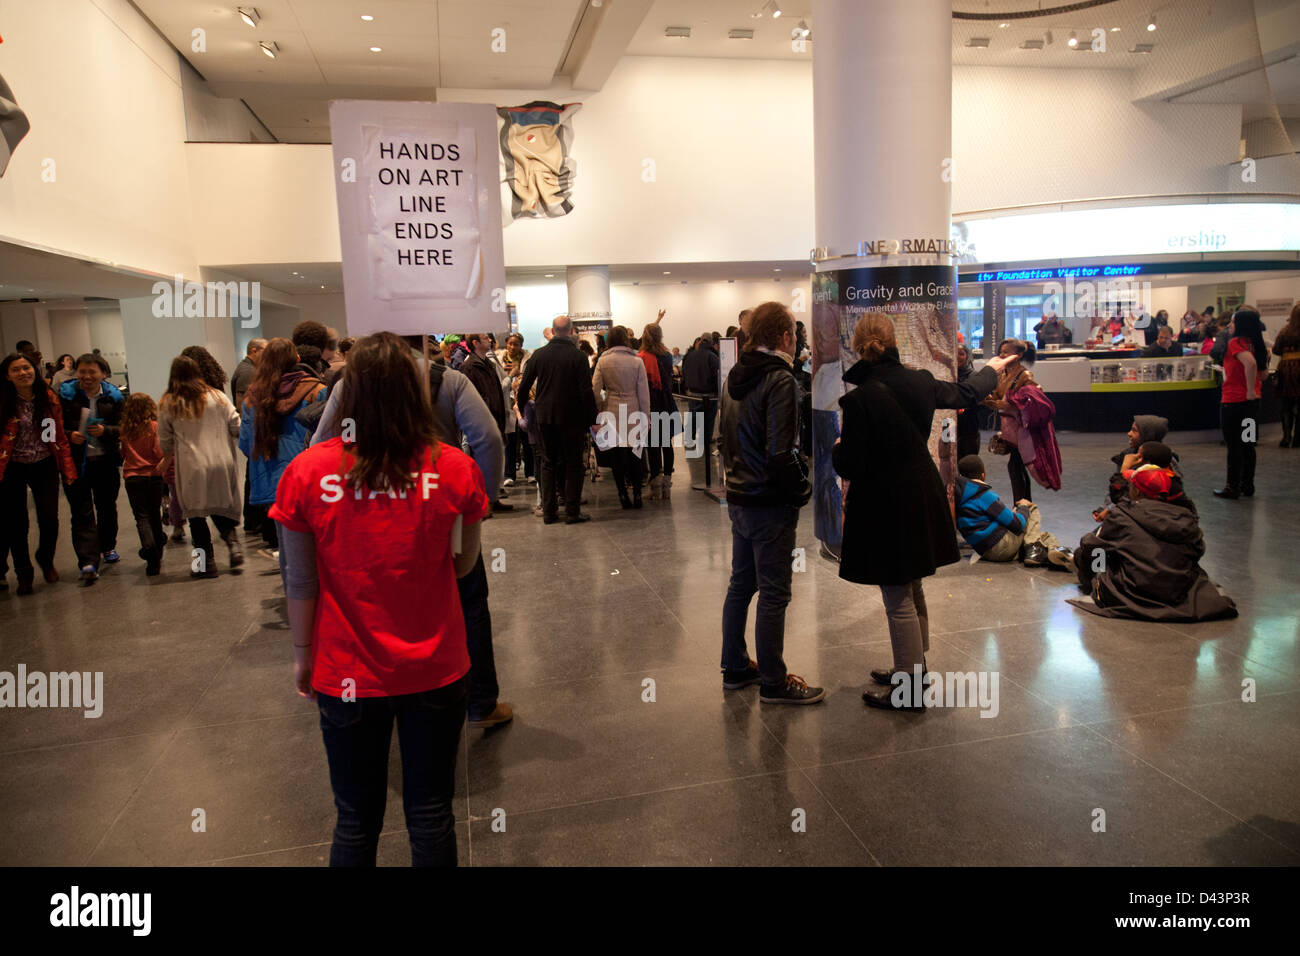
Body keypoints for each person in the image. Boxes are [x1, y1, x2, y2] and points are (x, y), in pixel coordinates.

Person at [270, 332, 491, 866]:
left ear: (348, 394)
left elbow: (299, 582)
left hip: (344, 669)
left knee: (355, 819)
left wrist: (303, 656)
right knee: (432, 812)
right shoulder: (454, 470)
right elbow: (462, 565)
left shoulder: (307, 472)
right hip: (436, 666)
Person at [313, 334, 511, 730]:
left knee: (374, 601)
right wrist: (483, 497)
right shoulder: (449, 380)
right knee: (467, 598)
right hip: (441, 505)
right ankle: (479, 701)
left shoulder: (352, 382)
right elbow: (487, 437)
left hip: (366, 510)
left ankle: (383, 693)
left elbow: (321, 444)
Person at [834, 313, 1011, 711]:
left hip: (884, 501)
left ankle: (910, 688)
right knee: (911, 585)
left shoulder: (860, 398)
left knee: (896, 595)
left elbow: (849, 465)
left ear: (860, 345)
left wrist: (836, 448)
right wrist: (992, 368)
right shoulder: (919, 382)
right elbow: (967, 393)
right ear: (893, 340)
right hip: (920, 491)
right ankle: (914, 665)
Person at [718, 302, 822, 705]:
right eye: (795, 336)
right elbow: (782, 452)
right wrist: (803, 489)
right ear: (783, 337)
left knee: (741, 585)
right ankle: (774, 683)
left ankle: (735, 666)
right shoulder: (780, 381)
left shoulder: (734, 376)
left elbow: (724, 439)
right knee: (774, 593)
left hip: (740, 497)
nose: (797, 344)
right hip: (769, 501)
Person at [1070, 444, 1236, 622]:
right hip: (1176, 592)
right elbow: (1197, 551)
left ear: (1137, 491)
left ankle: (1095, 584)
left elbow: (1093, 544)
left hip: (1132, 593)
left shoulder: (1123, 515)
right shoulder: (1186, 517)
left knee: (1094, 551)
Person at [240, 338, 326, 560]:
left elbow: (246, 445)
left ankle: (293, 591)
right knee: (316, 544)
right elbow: (326, 437)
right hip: (308, 476)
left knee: (286, 548)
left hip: (270, 478)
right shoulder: (316, 391)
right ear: (296, 359)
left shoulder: (252, 398)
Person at [158, 355, 243, 578]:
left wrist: (165, 459)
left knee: (196, 516)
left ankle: (205, 565)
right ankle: (233, 543)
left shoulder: (169, 402)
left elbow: (165, 440)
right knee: (221, 506)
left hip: (191, 465)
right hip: (222, 460)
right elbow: (236, 425)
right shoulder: (217, 395)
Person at [1, 352, 77, 594]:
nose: (24, 373)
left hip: (43, 463)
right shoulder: (3, 401)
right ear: (7, 375)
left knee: (49, 518)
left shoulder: (48, 398)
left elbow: (56, 435)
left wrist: (67, 468)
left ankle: (45, 557)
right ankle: (24, 572)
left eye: (27, 368)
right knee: (16, 522)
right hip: (11, 466)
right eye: (17, 370)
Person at [518, 315, 598, 525]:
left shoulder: (539, 355)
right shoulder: (578, 356)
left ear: (552, 331)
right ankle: (572, 511)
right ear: (571, 331)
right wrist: (592, 418)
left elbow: (524, 385)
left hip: (545, 417)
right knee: (573, 464)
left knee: (548, 463)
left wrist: (524, 409)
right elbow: (586, 391)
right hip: (573, 417)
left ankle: (549, 512)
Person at [59, 352, 125, 585]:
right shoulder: (65, 396)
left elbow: (125, 427)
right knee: (81, 511)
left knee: (107, 506)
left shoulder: (114, 397)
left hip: (105, 461)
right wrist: (69, 436)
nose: (86, 376)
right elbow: (48, 428)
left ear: (103, 374)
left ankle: (108, 547)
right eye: (82, 371)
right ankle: (88, 561)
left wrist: (106, 431)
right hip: (75, 464)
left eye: (92, 372)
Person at [955, 454, 1071, 567]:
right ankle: (1033, 549)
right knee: (1031, 508)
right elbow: (1017, 524)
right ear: (983, 474)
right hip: (1001, 548)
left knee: (1045, 536)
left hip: (984, 551)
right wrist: (1023, 507)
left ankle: (1052, 551)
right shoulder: (984, 496)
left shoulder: (959, 496)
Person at [592, 325, 651, 509]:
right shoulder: (637, 361)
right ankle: (638, 494)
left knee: (616, 456)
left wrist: (600, 407)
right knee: (635, 454)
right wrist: (646, 416)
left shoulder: (603, 361)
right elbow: (644, 393)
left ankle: (622, 494)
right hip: (633, 409)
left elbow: (594, 390)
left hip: (612, 409)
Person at [1214, 307, 1266, 499]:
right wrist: (1253, 389)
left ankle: (1232, 486)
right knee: (1248, 444)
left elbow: (1250, 364)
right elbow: (1262, 371)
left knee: (1233, 445)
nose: (1230, 325)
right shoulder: (1255, 344)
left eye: (1234, 322)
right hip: (1251, 405)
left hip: (1234, 402)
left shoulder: (1236, 343)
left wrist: (1249, 389)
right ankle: (1247, 484)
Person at [118, 392, 167, 576]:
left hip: (133, 478)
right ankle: (157, 553)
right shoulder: (153, 427)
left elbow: (123, 455)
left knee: (141, 517)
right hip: (153, 476)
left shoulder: (126, 430)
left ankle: (149, 551)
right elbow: (158, 452)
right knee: (154, 514)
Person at [983, 339, 1038, 503]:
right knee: (1015, 467)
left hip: (1020, 429)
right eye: (1001, 351)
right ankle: (1022, 504)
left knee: (1016, 466)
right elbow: (997, 397)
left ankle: (1023, 504)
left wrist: (1009, 405)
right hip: (1009, 429)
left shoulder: (1025, 375)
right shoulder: (1003, 374)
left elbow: (1034, 399)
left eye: (1006, 351)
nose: (1002, 354)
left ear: (1019, 355)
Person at [1094, 415, 1176, 522]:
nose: (1129, 434)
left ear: (1147, 435)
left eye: (1134, 431)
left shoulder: (1165, 461)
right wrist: (1104, 508)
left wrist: (1110, 510)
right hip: (1123, 510)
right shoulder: (1128, 455)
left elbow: (1144, 498)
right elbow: (1116, 488)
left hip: (1150, 517)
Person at [230, 338, 267, 534]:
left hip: (252, 432)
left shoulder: (247, 369)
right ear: (254, 350)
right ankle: (253, 521)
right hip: (252, 431)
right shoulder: (247, 372)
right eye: (264, 350)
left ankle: (253, 521)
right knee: (252, 477)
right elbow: (242, 403)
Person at [639, 322, 677, 500]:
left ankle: (655, 485)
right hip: (667, 402)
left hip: (651, 403)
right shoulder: (668, 356)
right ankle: (667, 484)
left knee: (653, 445)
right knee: (666, 443)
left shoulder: (642, 357)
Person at [682, 329, 720, 476]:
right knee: (709, 418)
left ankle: (689, 438)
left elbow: (684, 372)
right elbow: (716, 375)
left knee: (693, 415)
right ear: (711, 342)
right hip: (708, 394)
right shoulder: (712, 356)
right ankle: (705, 439)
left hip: (692, 392)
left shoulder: (690, 355)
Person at [499, 333, 533, 486]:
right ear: (506, 344)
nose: (513, 347)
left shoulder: (528, 359)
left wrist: (519, 373)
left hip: (524, 403)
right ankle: (509, 474)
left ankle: (530, 473)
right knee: (510, 440)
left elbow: (532, 378)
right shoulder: (499, 360)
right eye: (510, 343)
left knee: (527, 438)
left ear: (521, 345)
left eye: (516, 344)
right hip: (507, 403)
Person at [1271, 302, 1300, 448]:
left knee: (1286, 404)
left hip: (1286, 369)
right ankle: (1298, 438)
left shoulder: (1285, 331)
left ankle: (1286, 436)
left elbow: (1276, 350)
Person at [955, 345, 981, 459]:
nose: (957, 357)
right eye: (955, 353)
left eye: (961, 354)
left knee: (967, 460)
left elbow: (978, 401)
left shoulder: (973, 376)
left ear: (967, 356)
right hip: (949, 425)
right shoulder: (946, 374)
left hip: (968, 427)